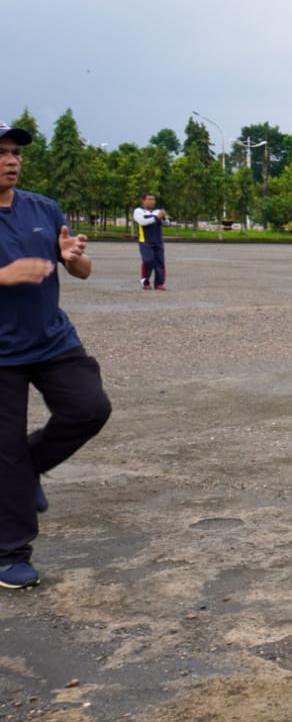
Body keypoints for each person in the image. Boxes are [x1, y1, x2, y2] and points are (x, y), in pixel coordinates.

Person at [0, 121, 113, 590]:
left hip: (51, 340)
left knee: (89, 408)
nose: (11, 161)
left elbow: (83, 271)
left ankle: (29, 467)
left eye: (15, 153)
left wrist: (73, 257)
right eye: (2, 153)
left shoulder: (43, 208)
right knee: (4, 452)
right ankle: (10, 555)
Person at [132, 192, 169, 290]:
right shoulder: (138, 211)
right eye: (149, 199)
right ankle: (145, 280)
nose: (152, 201)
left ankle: (159, 283)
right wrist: (157, 217)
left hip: (158, 241)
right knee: (148, 261)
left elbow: (166, 223)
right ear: (143, 201)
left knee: (160, 262)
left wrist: (163, 217)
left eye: (153, 199)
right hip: (145, 241)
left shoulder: (157, 211)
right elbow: (142, 222)